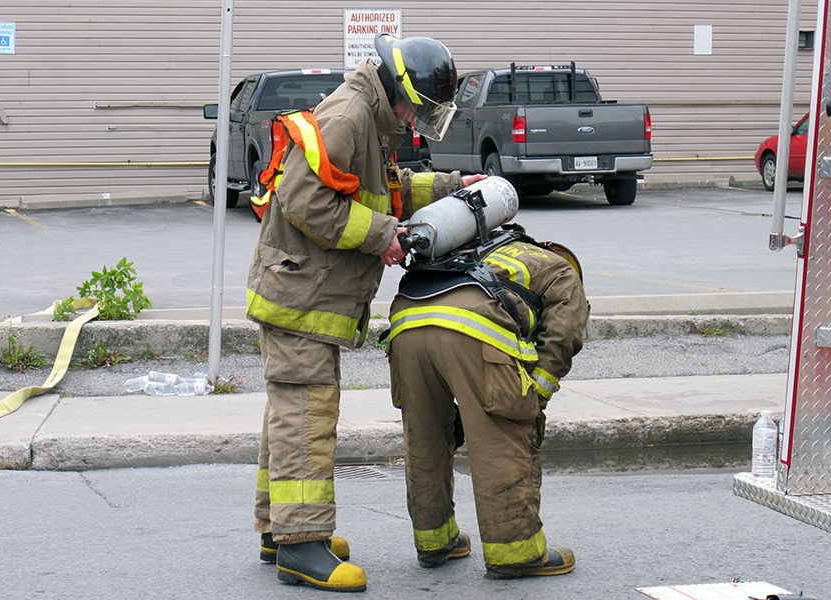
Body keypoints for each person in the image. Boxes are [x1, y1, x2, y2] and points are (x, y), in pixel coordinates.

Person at [246, 33, 483, 593]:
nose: (416, 121)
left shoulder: (371, 117)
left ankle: (278, 529)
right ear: (401, 92)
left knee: (289, 411)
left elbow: (380, 191)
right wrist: (382, 238)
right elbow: (303, 200)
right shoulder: (350, 115)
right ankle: (301, 545)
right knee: (307, 414)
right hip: (302, 297)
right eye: (418, 110)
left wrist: (451, 187)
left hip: (306, 294)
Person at [386, 227, 590, 579]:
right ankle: (516, 555)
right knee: (500, 439)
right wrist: (534, 396)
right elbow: (563, 336)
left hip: (406, 322)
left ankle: (435, 543)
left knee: (425, 439)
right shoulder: (563, 271)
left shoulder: (486, 249)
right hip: (472, 325)